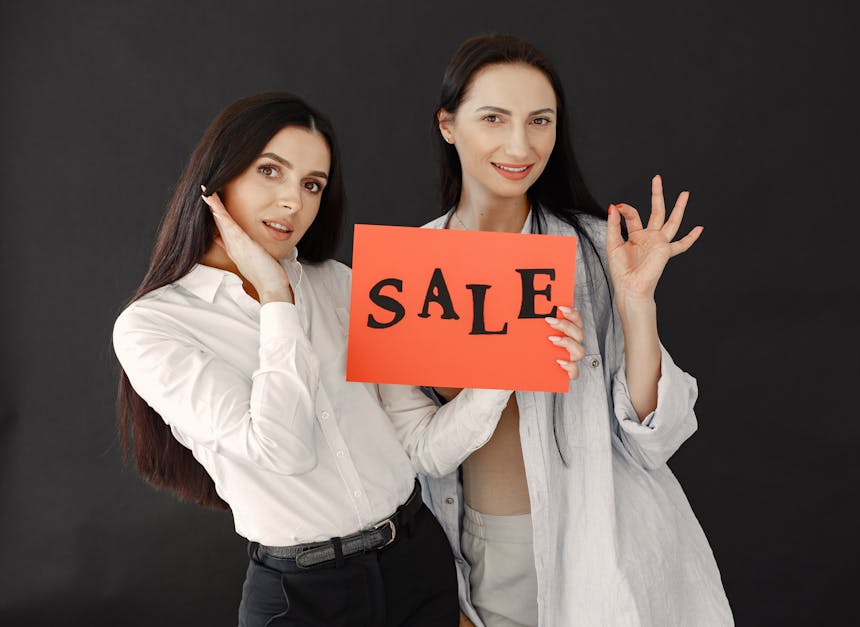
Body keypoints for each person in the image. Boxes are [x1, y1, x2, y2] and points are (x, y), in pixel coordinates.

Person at [112, 92, 584, 627]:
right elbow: (281, 449)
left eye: (312, 184)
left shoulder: (343, 286)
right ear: (218, 176)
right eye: (271, 171)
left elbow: (422, 449)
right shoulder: (153, 327)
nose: (293, 201)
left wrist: (507, 371)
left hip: (414, 560)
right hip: (302, 596)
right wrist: (275, 297)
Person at [419, 35, 734, 627]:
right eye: (494, 118)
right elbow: (405, 450)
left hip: (608, 544)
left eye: (541, 121)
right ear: (448, 125)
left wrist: (636, 304)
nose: (520, 144)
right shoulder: (407, 272)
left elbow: (653, 439)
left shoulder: (596, 248)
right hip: (483, 552)